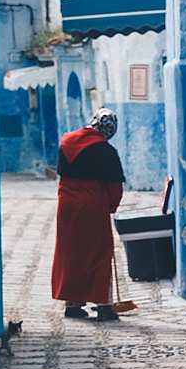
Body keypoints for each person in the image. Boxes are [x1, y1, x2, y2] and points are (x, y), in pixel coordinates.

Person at [52, 108, 126, 322]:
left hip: (67, 203)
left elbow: (61, 173)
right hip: (93, 204)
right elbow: (114, 187)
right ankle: (103, 305)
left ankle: (72, 304)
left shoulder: (66, 142)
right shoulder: (105, 151)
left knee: (71, 251)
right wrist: (111, 206)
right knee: (99, 252)